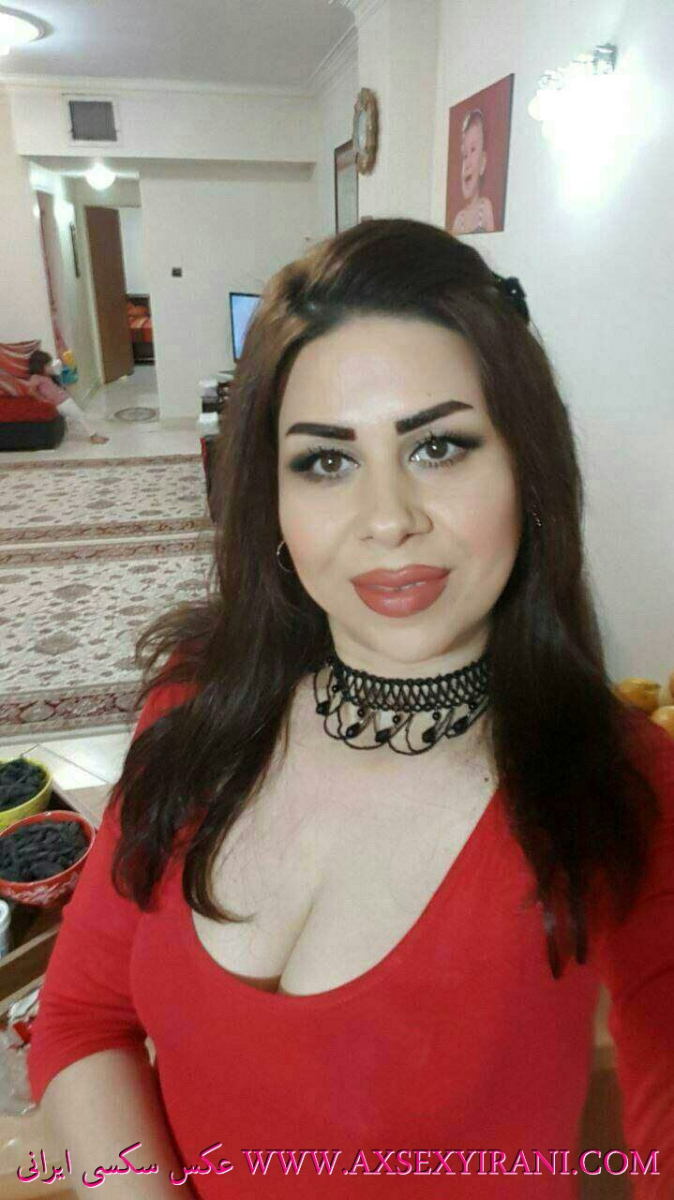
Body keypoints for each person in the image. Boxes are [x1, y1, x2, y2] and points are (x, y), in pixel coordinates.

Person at [26, 218, 673, 1198]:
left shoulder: (621, 781)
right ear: (272, 502)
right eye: (326, 461)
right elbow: (82, 1022)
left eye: (439, 447)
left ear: (527, 470)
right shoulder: (194, 708)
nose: (386, 520)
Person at [28, 350, 109, 444]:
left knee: (78, 415)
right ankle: (93, 436)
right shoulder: (35, 378)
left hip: (64, 400)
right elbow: (31, 392)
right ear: (40, 366)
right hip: (60, 403)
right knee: (81, 416)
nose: (51, 367)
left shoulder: (47, 376)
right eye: (48, 365)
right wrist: (43, 400)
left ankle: (87, 433)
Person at [452, 108, 495, 235]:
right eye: (464, 155)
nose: (467, 164)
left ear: (482, 163)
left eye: (473, 150)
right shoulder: (459, 219)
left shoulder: (485, 207)